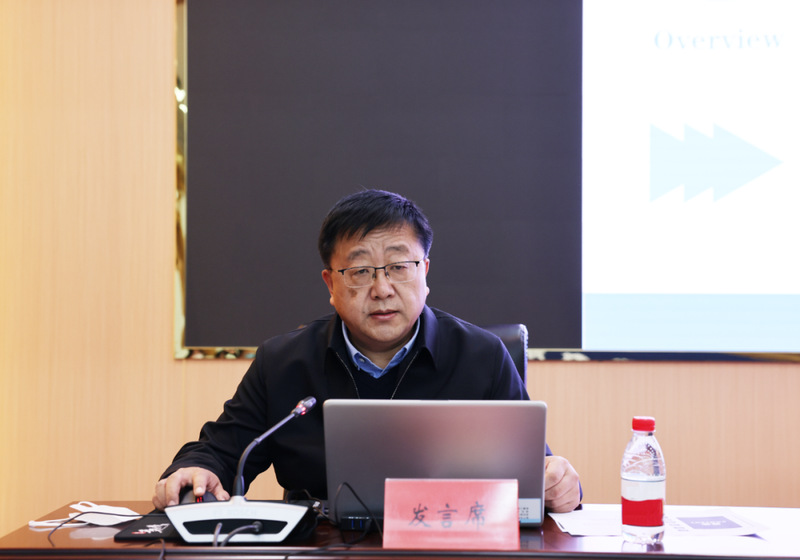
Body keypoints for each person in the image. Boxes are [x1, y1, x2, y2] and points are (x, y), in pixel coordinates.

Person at [153, 189, 581, 513]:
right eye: (360, 271)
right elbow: (220, 451)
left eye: (399, 267)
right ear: (331, 283)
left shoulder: (482, 357)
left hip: (450, 551)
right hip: (322, 551)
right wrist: (195, 471)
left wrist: (560, 484)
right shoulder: (282, 362)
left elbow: (537, 472)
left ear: (425, 272)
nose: (382, 289)